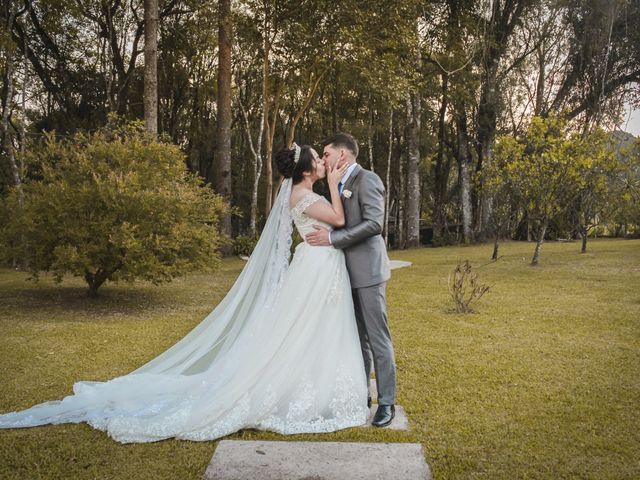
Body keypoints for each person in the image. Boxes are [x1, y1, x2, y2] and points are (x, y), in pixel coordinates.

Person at [0, 143, 370, 443]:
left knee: (313, 330)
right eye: (318, 160)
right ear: (307, 170)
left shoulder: (300, 190)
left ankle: (313, 383)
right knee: (307, 329)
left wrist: (333, 187)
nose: (324, 163)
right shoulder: (305, 194)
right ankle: (303, 389)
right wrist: (336, 186)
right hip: (316, 266)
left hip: (318, 265)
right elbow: (337, 220)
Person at [306, 132, 397, 428]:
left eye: (327, 154)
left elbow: (374, 224)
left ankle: (386, 403)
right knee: (358, 339)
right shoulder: (337, 184)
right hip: (344, 274)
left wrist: (333, 239)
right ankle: (362, 396)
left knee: (377, 337)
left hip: (368, 272)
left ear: (342, 156)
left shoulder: (367, 179)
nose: (324, 160)